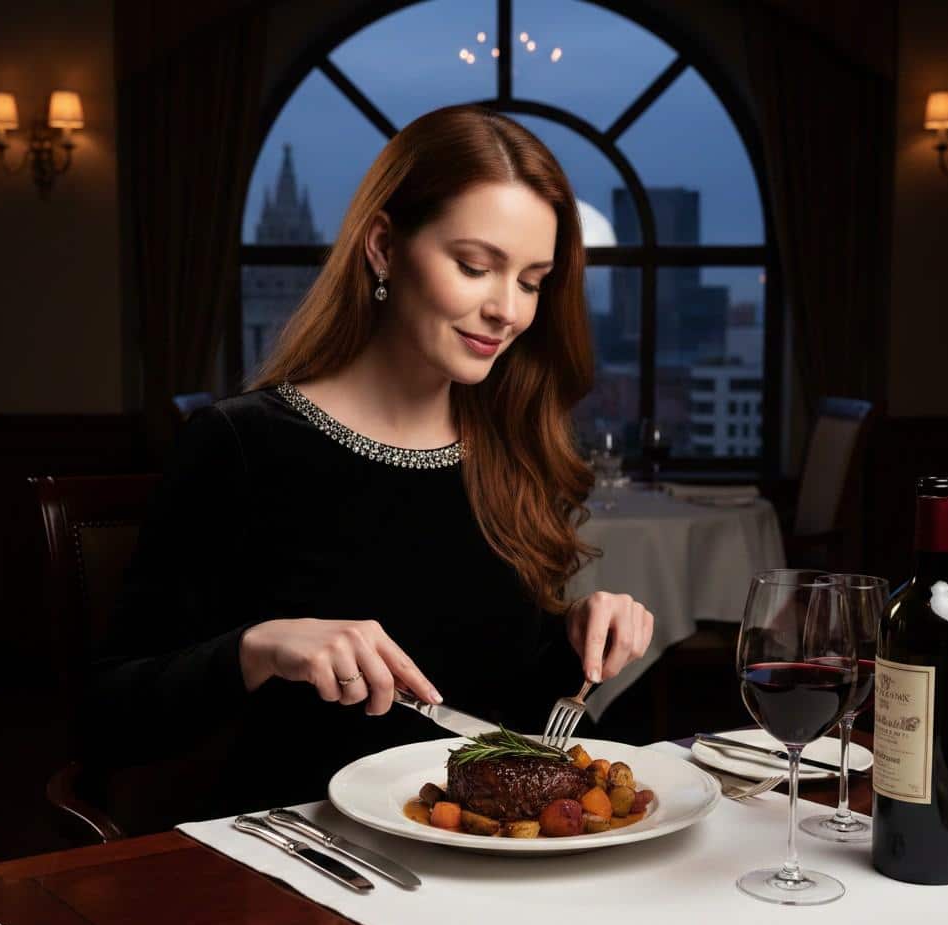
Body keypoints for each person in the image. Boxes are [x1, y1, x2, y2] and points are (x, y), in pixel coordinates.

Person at [77, 105, 654, 826]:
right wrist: (259, 649)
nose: (507, 309)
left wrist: (577, 639)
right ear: (383, 247)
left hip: (492, 861)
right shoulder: (240, 443)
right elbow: (107, 715)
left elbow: (501, 705)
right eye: (474, 266)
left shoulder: (510, 446)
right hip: (305, 864)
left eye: (532, 280)